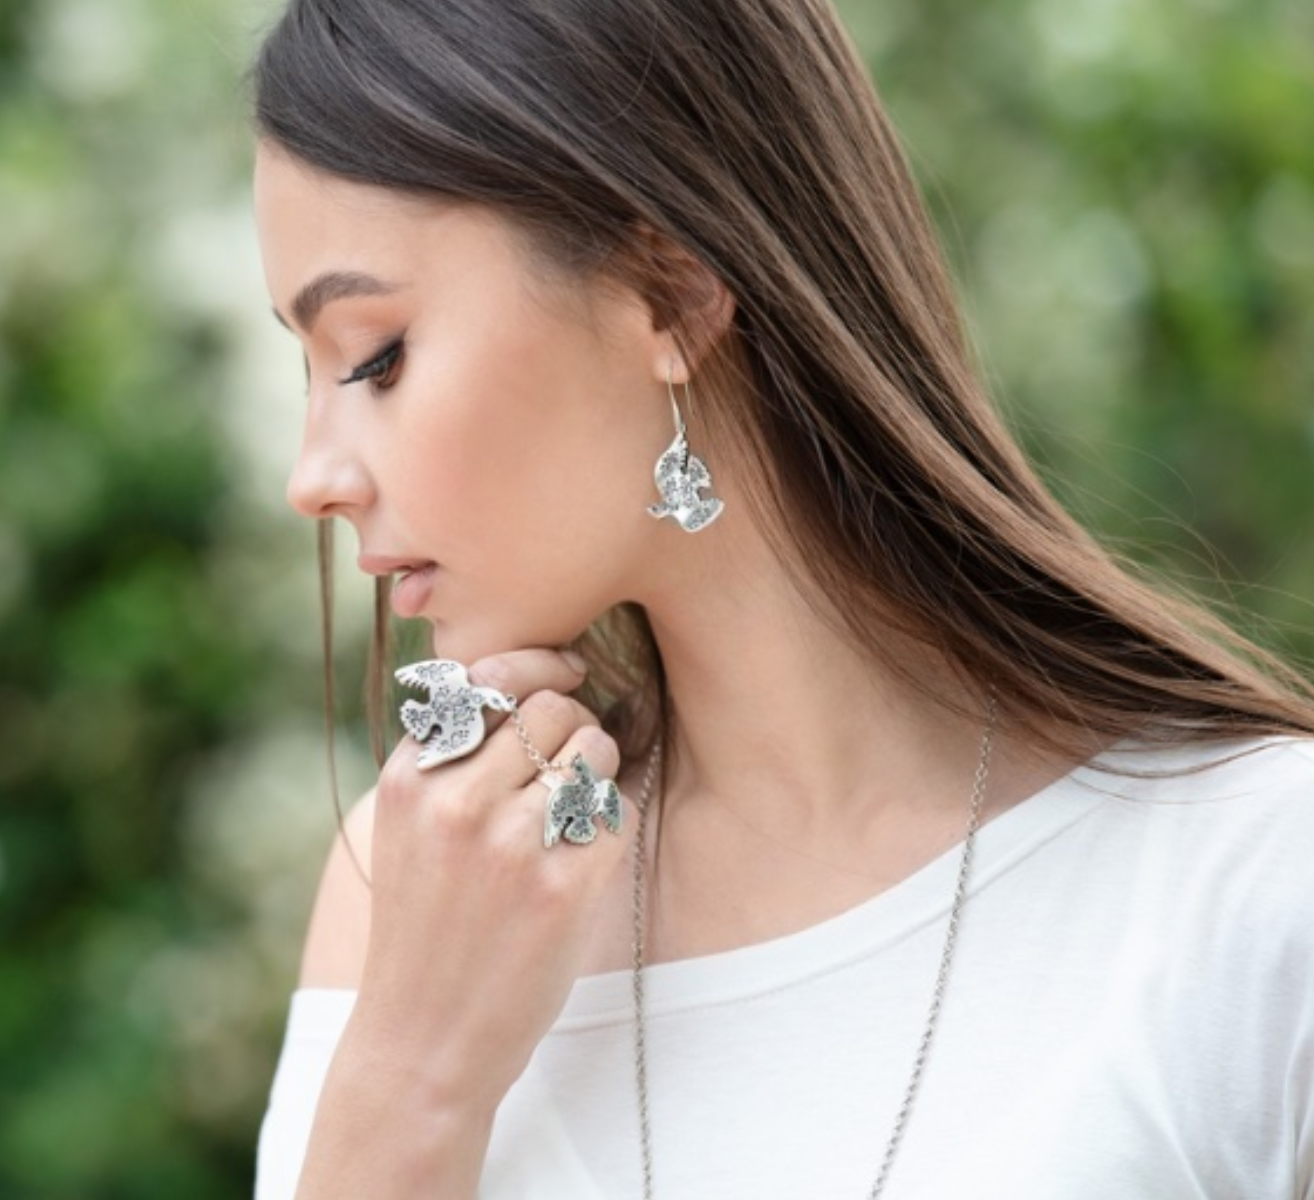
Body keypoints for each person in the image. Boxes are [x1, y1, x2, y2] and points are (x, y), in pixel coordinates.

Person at [245, 0, 1314, 1196]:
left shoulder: (1255, 883)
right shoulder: (425, 893)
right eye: (310, 374)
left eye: (373, 356)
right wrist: (411, 1081)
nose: (312, 479)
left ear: (671, 295)